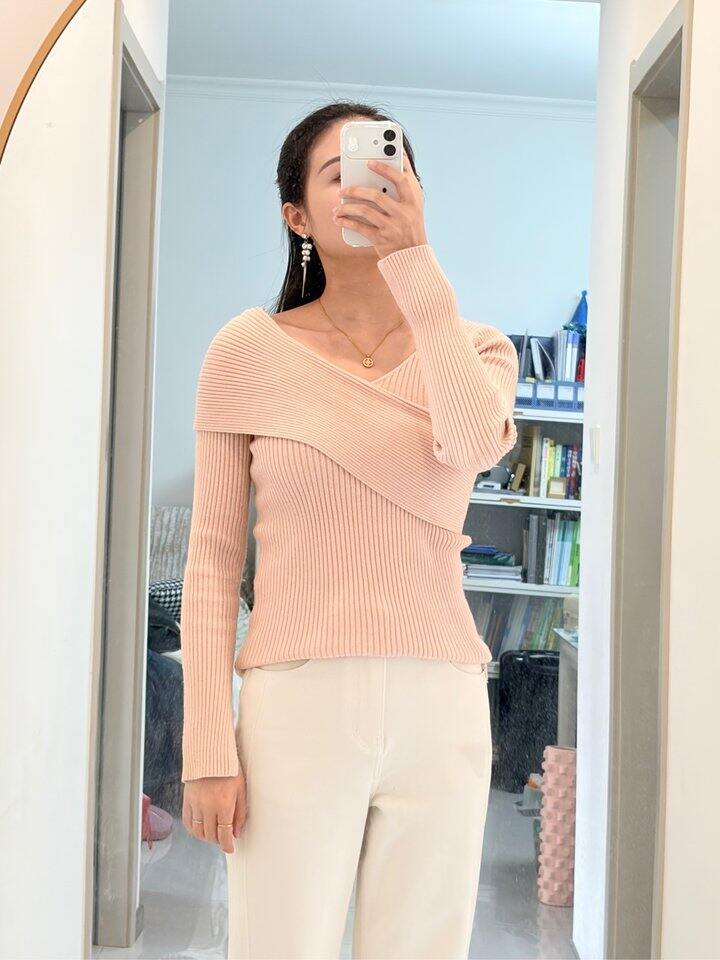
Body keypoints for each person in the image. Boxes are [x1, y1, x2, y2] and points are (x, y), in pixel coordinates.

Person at [179, 100, 519, 960]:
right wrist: (207, 744)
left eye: (388, 170)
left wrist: (419, 272)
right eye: (340, 176)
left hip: (441, 702)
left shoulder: (478, 350)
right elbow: (212, 560)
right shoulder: (247, 351)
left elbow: (473, 446)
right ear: (297, 216)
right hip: (296, 702)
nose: (369, 188)